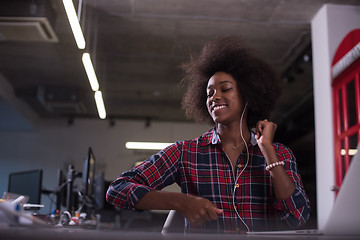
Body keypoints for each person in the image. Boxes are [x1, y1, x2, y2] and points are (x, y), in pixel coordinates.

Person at [106, 36, 310, 233]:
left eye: (225, 89)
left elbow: (296, 218)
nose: (215, 97)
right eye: (209, 93)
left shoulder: (280, 154)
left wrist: (268, 151)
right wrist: (181, 202)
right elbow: (118, 189)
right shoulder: (186, 153)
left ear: (248, 93)